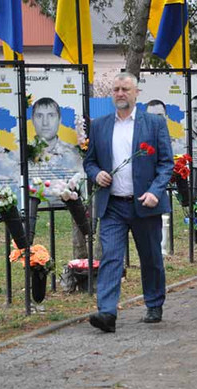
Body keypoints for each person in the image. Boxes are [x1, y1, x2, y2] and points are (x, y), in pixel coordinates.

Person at [83, 72, 174, 332]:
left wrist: (156, 190)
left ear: (136, 94)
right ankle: (107, 313)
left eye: (125, 89)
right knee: (111, 256)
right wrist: (95, 174)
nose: (120, 94)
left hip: (145, 204)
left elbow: (166, 163)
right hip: (112, 205)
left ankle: (154, 303)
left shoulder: (153, 124)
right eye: (116, 89)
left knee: (151, 257)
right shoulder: (99, 125)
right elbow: (89, 161)